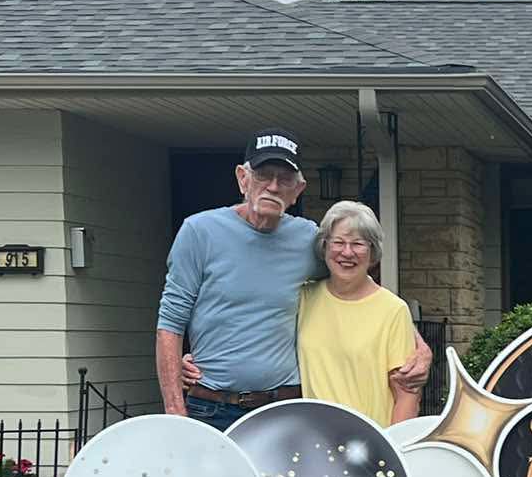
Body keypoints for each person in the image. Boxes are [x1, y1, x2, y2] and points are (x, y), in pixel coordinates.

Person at [155, 134, 320, 429]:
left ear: (298, 190)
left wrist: (415, 343)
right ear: (243, 178)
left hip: (282, 409)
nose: (272, 186)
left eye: (284, 179)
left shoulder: (309, 239)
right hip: (211, 408)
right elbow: (170, 322)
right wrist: (175, 412)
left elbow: (355, 289)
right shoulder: (199, 231)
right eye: (263, 176)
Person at [289, 199, 429, 425]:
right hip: (315, 440)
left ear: (373, 252)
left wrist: (391, 450)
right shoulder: (304, 297)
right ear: (324, 247)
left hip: (369, 444)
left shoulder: (392, 310)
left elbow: (407, 395)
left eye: (358, 244)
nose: (347, 252)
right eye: (338, 242)